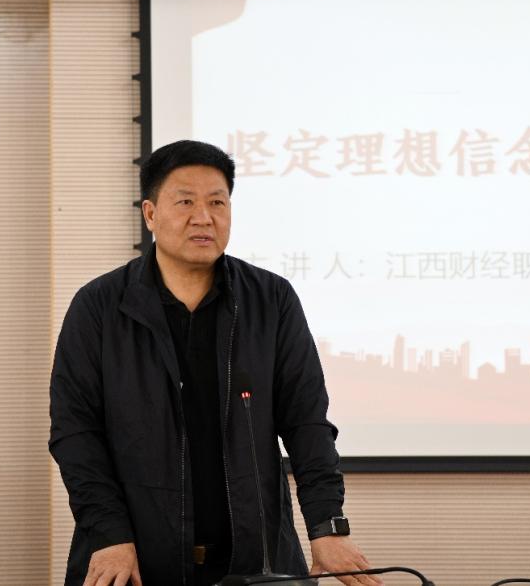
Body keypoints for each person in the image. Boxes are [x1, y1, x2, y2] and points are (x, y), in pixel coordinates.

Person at [49, 140, 381, 586]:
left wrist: (327, 526)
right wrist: (108, 534)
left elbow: (307, 423)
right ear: (150, 214)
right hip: (135, 559)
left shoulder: (271, 300)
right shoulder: (99, 307)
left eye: (217, 203)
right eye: (185, 202)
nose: (203, 217)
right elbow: (75, 433)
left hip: (255, 560)